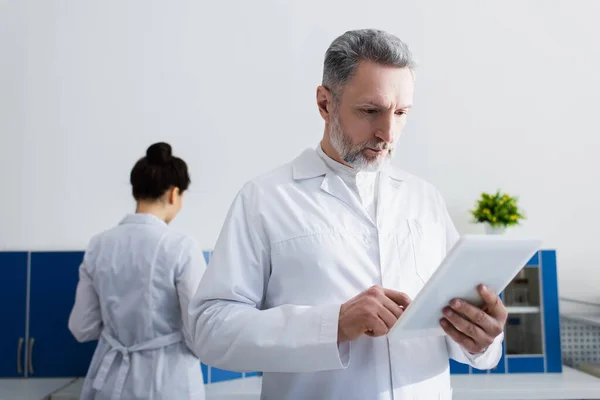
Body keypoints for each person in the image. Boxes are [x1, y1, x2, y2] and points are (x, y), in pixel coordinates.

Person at [188, 29, 507, 399]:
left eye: (401, 113)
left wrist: (481, 339)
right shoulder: (265, 199)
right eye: (370, 111)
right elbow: (209, 332)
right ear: (325, 103)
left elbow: (467, 339)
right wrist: (332, 324)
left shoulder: (425, 199)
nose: (388, 132)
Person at [68, 142, 206, 400]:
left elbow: (81, 327)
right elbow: (198, 334)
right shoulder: (182, 248)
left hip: (108, 384)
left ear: (136, 192)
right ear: (174, 194)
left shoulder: (99, 245)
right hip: (170, 384)